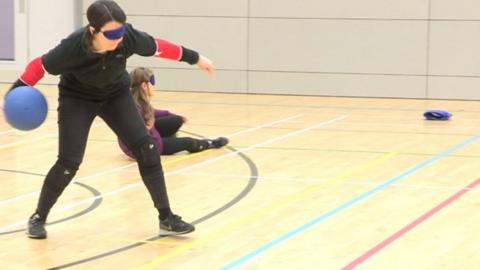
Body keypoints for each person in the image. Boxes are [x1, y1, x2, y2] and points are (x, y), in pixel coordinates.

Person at [5, 0, 213, 239]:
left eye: (121, 31)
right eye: (112, 33)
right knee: (69, 162)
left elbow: (160, 47)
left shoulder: (128, 38)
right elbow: (39, 66)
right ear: (93, 31)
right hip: (78, 98)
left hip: (115, 94)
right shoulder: (72, 48)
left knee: (148, 148)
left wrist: (196, 58)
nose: (118, 38)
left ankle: (166, 218)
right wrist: (13, 94)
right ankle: (38, 217)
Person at [117, 67, 228, 158]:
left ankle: (171, 140)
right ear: (144, 86)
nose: (154, 85)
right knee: (188, 142)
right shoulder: (135, 109)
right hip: (145, 148)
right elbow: (150, 141)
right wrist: (155, 134)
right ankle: (210, 143)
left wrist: (168, 113)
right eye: (152, 82)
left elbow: (152, 112)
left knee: (176, 120)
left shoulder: (136, 100)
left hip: (143, 138)